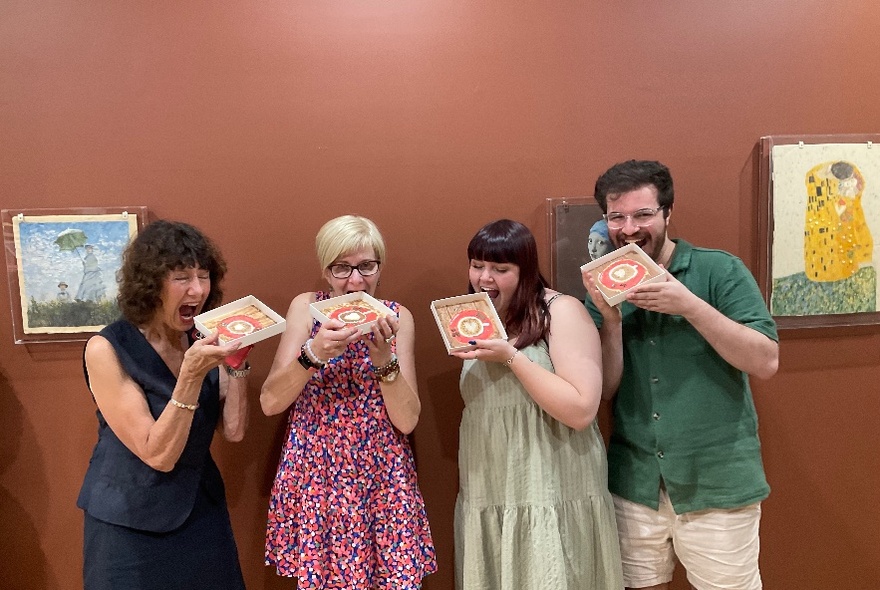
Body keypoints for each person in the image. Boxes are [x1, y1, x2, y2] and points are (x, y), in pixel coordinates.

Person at [582, 160, 779, 590]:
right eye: (617, 216)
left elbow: (765, 361)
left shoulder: (719, 271)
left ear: (668, 214)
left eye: (643, 214)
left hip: (717, 484)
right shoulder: (604, 284)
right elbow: (607, 391)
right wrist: (611, 323)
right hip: (634, 485)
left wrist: (688, 304)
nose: (629, 228)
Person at [261, 215, 436, 589]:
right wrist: (313, 353)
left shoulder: (396, 317)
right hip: (317, 477)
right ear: (325, 271)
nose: (356, 281)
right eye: (342, 268)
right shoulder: (305, 309)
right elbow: (271, 402)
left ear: (379, 267)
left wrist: (382, 360)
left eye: (366, 266)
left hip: (382, 478)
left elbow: (407, 421)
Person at [77, 220, 251, 590]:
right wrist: (189, 377)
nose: (198, 289)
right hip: (129, 523)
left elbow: (234, 431)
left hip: (201, 514)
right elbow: (157, 454)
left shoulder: (202, 337)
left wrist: (238, 366)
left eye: (204, 276)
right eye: (182, 277)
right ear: (151, 283)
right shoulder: (106, 348)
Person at [453, 219, 623, 589]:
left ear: (526, 270)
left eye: (501, 269)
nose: (485, 278)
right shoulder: (474, 321)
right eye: (478, 265)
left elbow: (581, 409)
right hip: (492, 492)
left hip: (552, 491)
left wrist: (512, 359)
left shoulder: (560, 311)